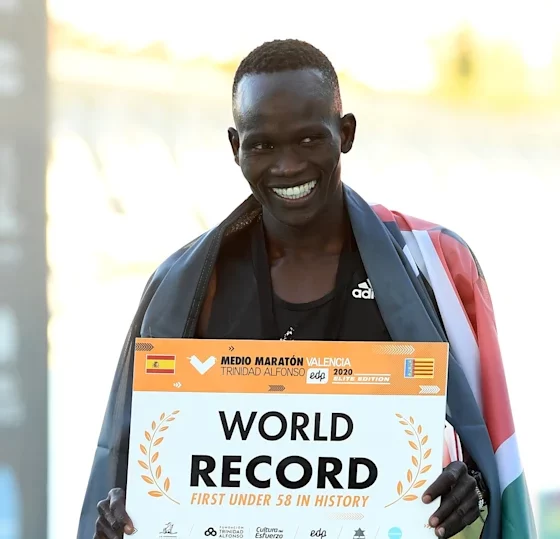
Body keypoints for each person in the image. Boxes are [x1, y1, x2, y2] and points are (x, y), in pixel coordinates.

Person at [79, 39, 536, 539]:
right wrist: (124, 511)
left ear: (346, 133)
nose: (288, 166)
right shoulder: (186, 285)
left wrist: (470, 491)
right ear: (235, 147)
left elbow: (487, 454)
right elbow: (132, 470)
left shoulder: (435, 264)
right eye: (262, 145)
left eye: (309, 139)